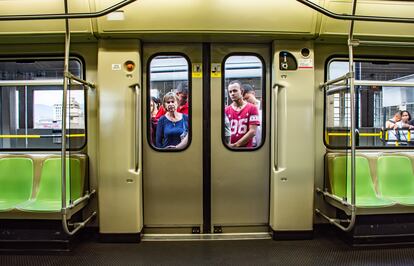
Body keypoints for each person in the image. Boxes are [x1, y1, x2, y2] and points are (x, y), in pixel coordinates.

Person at [225, 80, 260, 148]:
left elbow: (252, 131)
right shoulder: (226, 110)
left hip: (245, 150)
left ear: (242, 91)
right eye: (230, 92)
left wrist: (236, 145)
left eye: (235, 91)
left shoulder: (252, 108)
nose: (232, 93)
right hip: (229, 149)